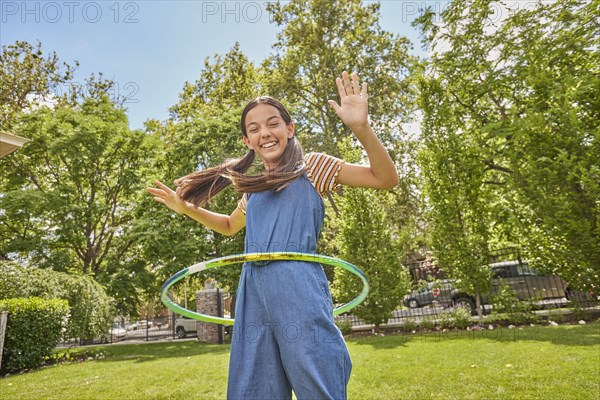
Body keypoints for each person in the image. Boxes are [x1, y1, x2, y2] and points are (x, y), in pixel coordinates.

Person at [147, 71, 398, 400]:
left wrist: (361, 128)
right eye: (254, 129)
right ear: (247, 142)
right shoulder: (253, 191)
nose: (265, 132)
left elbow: (385, 178)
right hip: (253, 293)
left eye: (273, 123)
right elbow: (227, 226)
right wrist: (187, 209)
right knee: (254, 387)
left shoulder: (313, 167)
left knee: (317, 381)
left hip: (298, 289)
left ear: (289, 129)